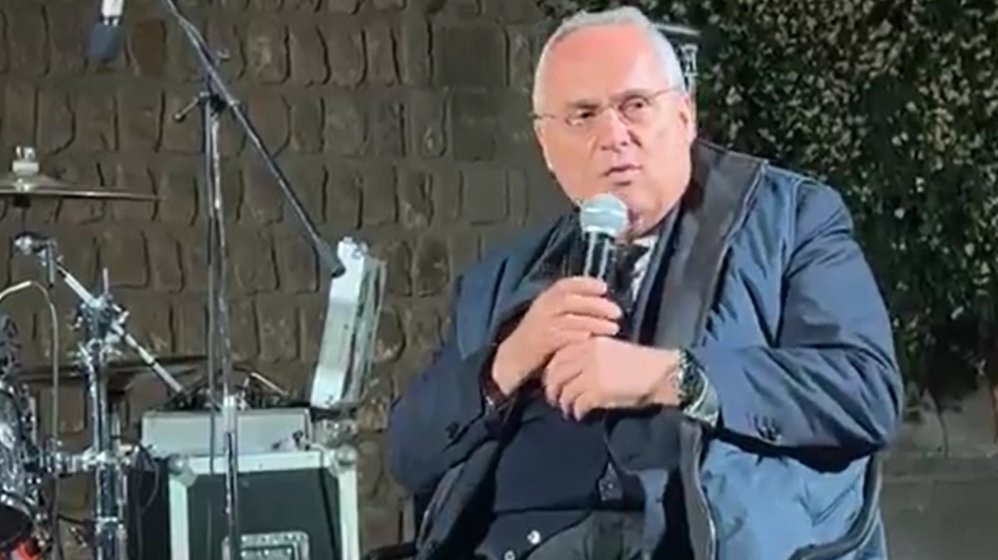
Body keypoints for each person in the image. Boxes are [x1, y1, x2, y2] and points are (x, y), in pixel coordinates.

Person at [387, 6, 902, 560]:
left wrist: (675, 377)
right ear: (546, 145)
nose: (613, 136)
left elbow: (864, 393)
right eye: (583, 115)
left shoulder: (789, 221)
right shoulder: (500, 279)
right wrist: (507, 363)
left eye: (634, 105)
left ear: (684, 116)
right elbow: (410, 454)